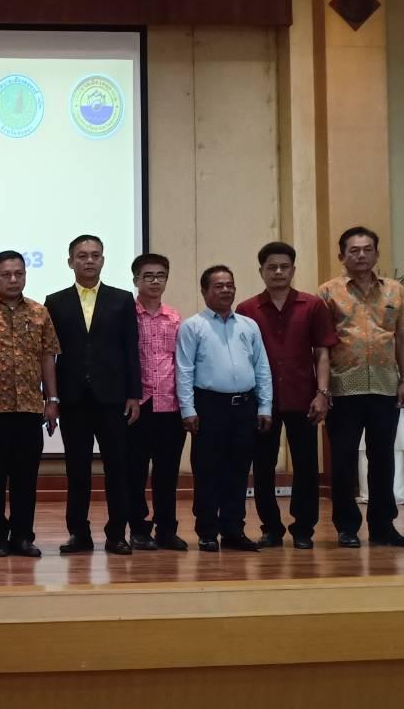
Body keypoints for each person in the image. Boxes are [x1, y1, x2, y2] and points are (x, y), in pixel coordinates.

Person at [318, 226, 404, 548]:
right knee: (343, 461)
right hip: (342, 388)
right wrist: (322, 390)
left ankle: (383, 527)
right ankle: (347, 527)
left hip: (385, 386)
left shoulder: (396, 291)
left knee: (382, 459)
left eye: (367, 249)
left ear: (376, 254)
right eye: (354, 250)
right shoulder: (327, 292)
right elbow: (320, 346)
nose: (361, 255)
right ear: (342, 256)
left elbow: (403, 339)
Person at [236, 241, 338, 550]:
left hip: (303, 397)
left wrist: (322, 393)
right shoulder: (247, 310)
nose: (278, 272)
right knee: (263, 467)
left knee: (306, 466)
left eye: (284, 266)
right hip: (262, 402)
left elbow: (322, 352)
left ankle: (303, 528)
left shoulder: (312, 306)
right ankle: (271, 528)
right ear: (261, 272)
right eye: (272, 267)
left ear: (293, 270)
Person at [45, 234, 141, 556]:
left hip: (113, 399)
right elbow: (49, 354)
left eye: (95, 255)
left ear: (103, 260)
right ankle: (79, 534)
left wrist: (134, 395)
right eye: (82, 255)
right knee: (77, 470)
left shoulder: (122, 299)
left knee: (117, 468)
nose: (89, 260)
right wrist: (52, 398)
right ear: (70, 261)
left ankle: (117, 534)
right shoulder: (55, 301)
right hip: (73, 399)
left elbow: (131, 349)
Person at [175, 265, 273, 552]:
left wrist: (265, 405)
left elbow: (262, 366)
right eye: (218, 286)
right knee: (207, 470)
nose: (226, 290)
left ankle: (233, 530)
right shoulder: (193, 326)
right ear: (204, 291)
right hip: (209, 406)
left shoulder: (249, 325)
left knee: (238, 471)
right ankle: (207, 531)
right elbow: (184, 369)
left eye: (229, 285)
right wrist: (187, 409)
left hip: (244, 406)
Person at [0, 251, 61, 558]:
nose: (13, 279)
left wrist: (52, 399)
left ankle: (23, 536)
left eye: (19, 274)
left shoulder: (39, 312)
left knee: (26, 477)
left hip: (29, 407)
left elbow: (47, 357)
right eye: (6, 274)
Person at [125, 252, 187, 552]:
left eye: (160, 276)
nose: (154, 281)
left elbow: (182, 362)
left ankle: (166, 530)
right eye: (148, 276)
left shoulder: (175, 317)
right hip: (138, 405)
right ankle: (138, 530)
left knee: (167, 473)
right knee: (135, 473)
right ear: (136, 280)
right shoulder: (126, 315)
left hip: (170, 405)